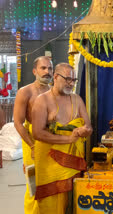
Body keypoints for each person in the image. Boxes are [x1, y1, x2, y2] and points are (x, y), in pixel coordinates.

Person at [32, 63, 92, 213]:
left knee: (71, 201)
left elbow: (89, 127)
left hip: (72, 162)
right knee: (50, 204)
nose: (71, 84)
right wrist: (68, 139)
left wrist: (83, 131)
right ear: (56, 77)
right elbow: (37, 133)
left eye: (74, 80)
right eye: (68, 79)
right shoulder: (42, 100)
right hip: (49, 163)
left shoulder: (77, 99)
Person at [13, 56, 53, 214]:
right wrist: (32, 146)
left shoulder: (54, 91)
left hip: (52, 140)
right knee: (34, 185)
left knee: (51, 183)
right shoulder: (25, 92)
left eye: (50, 68)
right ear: (34, 71)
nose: (47, 72)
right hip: (33, 142)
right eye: (43, 68)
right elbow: (17, 122)